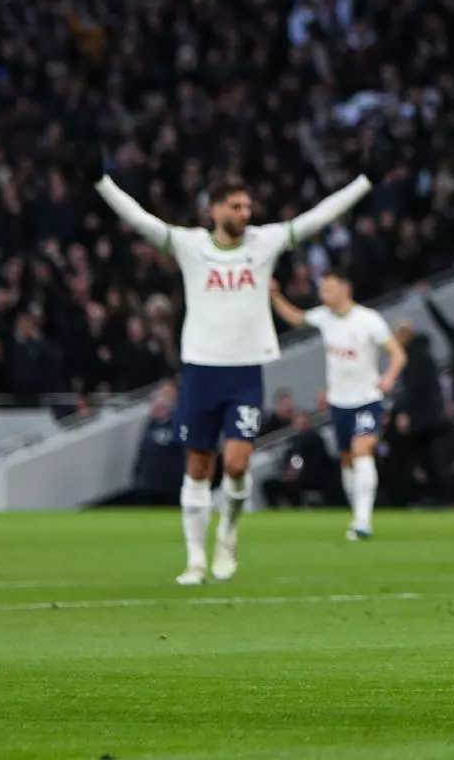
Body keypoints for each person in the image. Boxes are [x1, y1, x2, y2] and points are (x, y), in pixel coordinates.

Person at [92, 166, 374, 584]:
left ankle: (227, 532)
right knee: (198, 466)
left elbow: (318, 216)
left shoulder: (264, 242)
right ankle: (194, 560)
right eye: (237, 206)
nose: (246, 212)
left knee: (238, 464)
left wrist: (363, 183)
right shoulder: (190, 245)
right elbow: (139, 220)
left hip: (244, 372)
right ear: (214, 209)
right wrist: (102, 183)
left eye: (248, 205)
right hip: (201, 371)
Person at [270, 271, 406, 540]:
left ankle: (363, 520)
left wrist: (388, 377)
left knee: (362, 449)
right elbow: (297, 318)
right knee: (347, 460)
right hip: (339, 403)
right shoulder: (324, 317)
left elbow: (398, 354)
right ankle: (357, 513)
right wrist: (275, 296)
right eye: (322, 290)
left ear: (345, 289)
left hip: (368, 399)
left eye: (328, 289)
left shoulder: (369, 320)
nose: (323, 295)